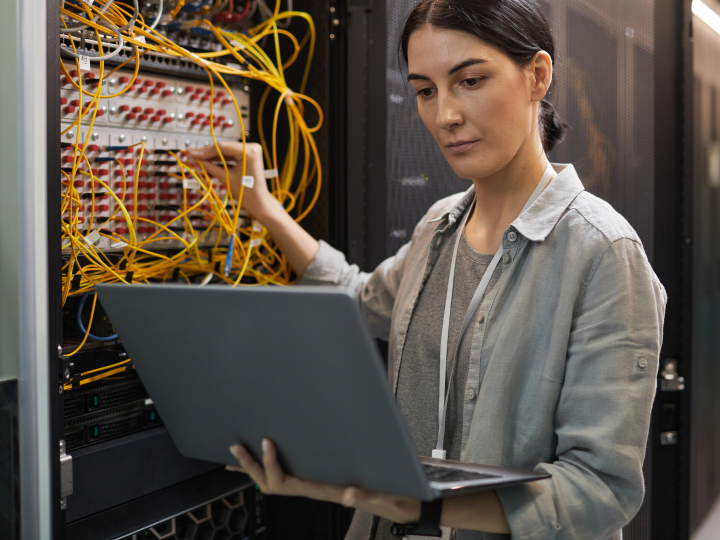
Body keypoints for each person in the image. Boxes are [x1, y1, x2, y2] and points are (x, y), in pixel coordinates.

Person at [184, 0, 666, 538]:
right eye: (425, 91)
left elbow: (599, 489)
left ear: (537, 75)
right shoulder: (441, 227)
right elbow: (358, 297)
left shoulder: (602, 252)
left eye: (470, 81)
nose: (445, 116)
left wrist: (421, 506)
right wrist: (265, 210)